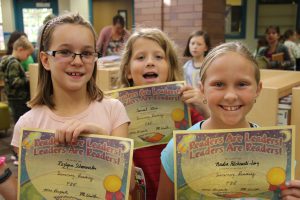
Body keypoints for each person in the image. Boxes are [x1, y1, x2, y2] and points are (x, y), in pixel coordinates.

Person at [157, 42, 300, 199]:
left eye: (241, 84)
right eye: (219, 84)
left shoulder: (279, 152)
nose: (230, 96)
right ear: (202, 89)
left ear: (258, 89)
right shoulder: (178, 150)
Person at [11, 13, 130, 155]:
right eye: (65, 52)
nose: (78, 62)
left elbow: (129, 177)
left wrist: (103, 138)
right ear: (46, 60)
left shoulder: (114, 111)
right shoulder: (27, 125)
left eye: (86, 53)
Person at [117, 28, 208, 199]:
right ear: (128, 70)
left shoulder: (185, 108)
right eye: (140, 57)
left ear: (170, 67)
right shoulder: (117, 111)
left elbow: (216, 139)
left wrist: (204, 106)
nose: (150, 62)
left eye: (159, 57)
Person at [0, 36, 33, 123]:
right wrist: (27, 79)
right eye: (27, 54)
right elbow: (14, 82)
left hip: (14, 98)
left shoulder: (9, 60)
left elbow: (13, 77)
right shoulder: (14, 63)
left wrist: (24, 75)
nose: (27, 57)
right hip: (18, 99)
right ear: (20, 49)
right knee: (21, 120)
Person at [183, 30, 210, 124]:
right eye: (192, 43)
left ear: (206, 47)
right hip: (190, 106)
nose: (195, 46)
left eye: (199, 44)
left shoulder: (210, 66)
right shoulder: (185, 67)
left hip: (205, 105)